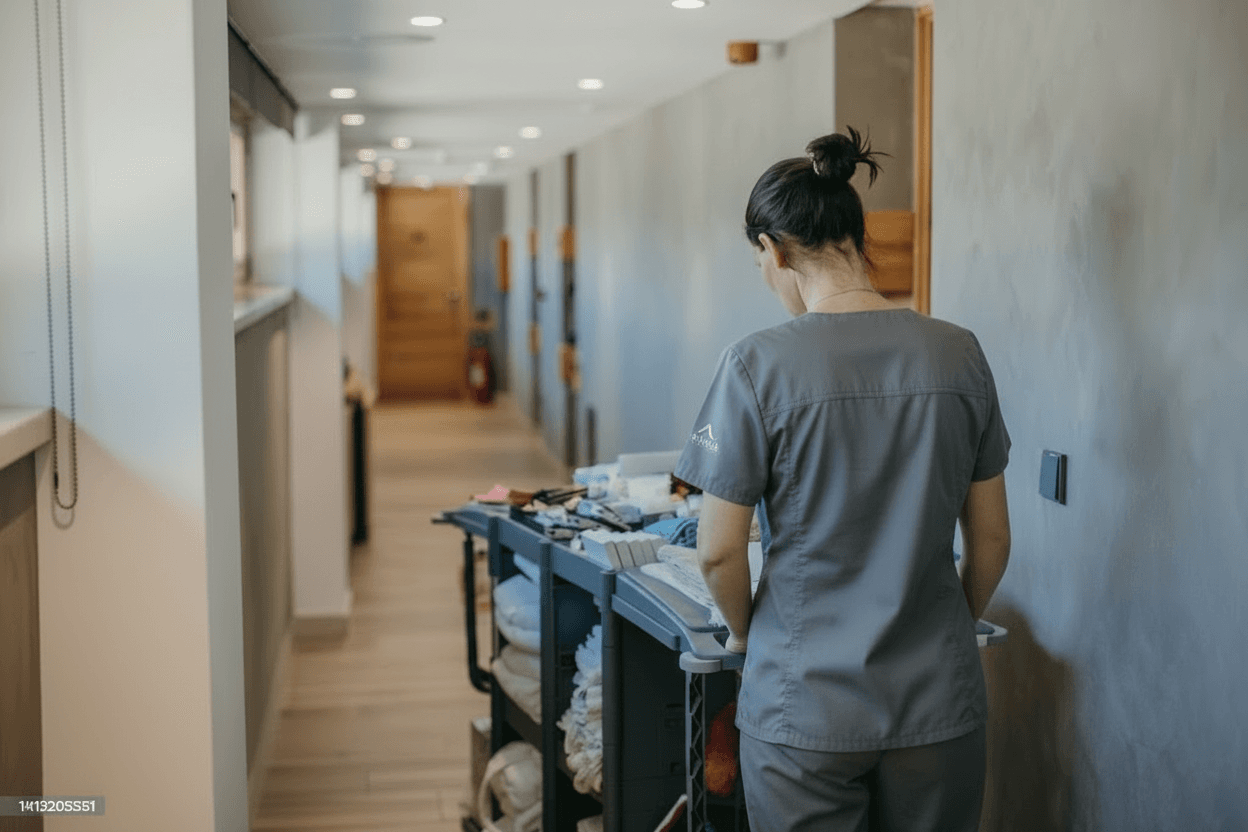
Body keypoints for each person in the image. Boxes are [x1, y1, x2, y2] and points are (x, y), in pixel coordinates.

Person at [672, 128, 1012, 832]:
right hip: (939, 706)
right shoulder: (959, 353)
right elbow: (992, 540)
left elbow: (717, 550)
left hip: (806, 708)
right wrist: (945, 629)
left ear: (775, 250)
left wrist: (747, 637)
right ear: (858, 236)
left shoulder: (754, 365)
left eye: (760, 262)